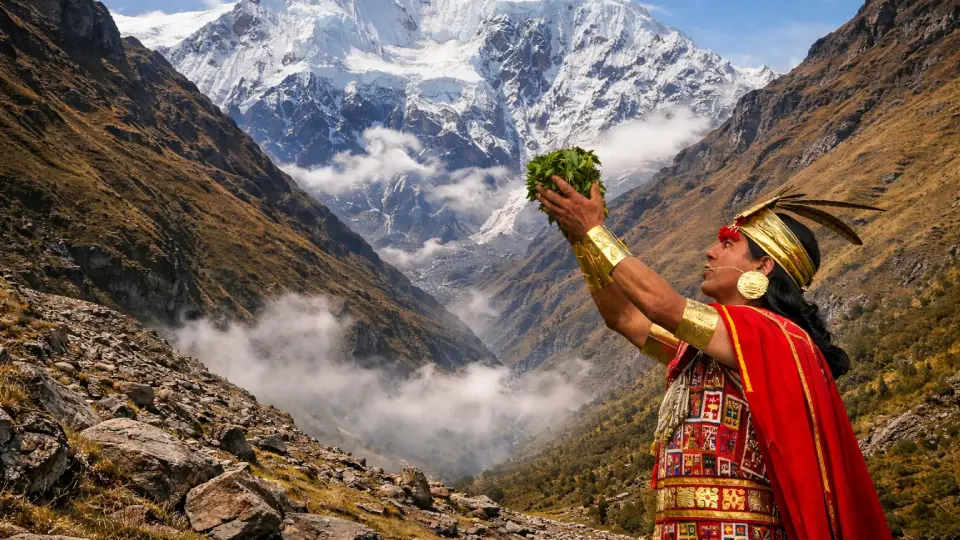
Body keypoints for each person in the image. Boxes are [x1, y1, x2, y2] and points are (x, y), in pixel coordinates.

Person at [535, 178, 891, 539]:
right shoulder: (716, 346)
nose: (710, 251)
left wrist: (595, 230)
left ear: (763, 266)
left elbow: (662, 307)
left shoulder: (768, 334)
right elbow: (624, 318)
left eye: (727, 244)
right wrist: (581, 239)